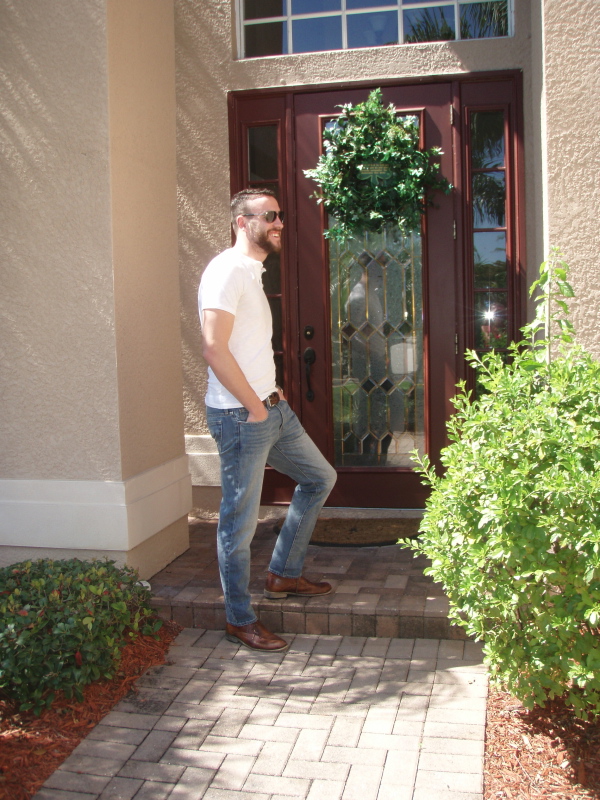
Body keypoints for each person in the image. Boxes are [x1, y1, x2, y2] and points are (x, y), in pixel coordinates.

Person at [198, 188, 337, 652]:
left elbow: (246, 347)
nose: (279, 223)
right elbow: (214, 348)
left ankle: (282, 573)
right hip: (242, 417)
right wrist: (255, 408)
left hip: (272, 410)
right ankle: (239, 619)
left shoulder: (251, 273)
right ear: (243, 221)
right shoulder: (225, 271)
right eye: (270, 216)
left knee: (319, 478)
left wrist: (271, 397)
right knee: (238, 524)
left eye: (280, 215)